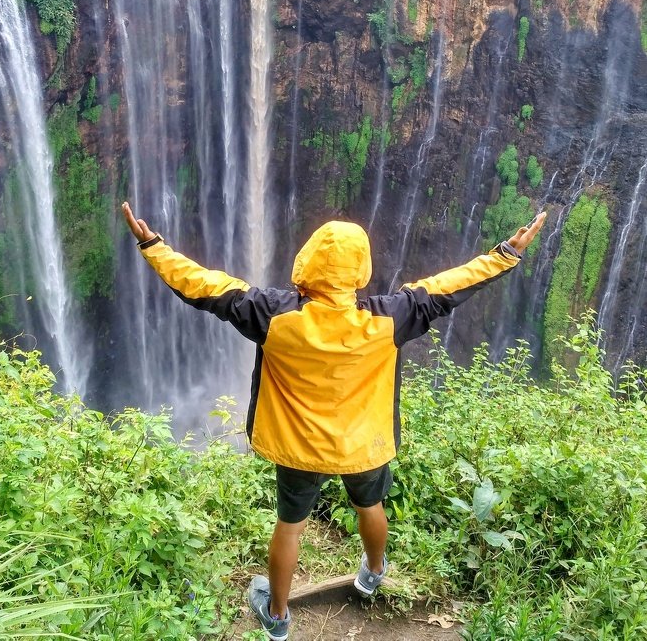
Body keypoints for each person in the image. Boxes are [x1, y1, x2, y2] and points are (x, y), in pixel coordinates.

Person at [122, 201, 546, 641]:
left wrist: (153, 246)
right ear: (360, 268)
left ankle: (278, 616)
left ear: (306, 259)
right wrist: (505, 254)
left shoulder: (272, 314)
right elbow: (450, 286)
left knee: (290, 526)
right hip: (363, 445)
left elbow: (204, 286)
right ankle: (374, 571)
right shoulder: (390, 317)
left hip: (300, 448)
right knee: (370, 506)